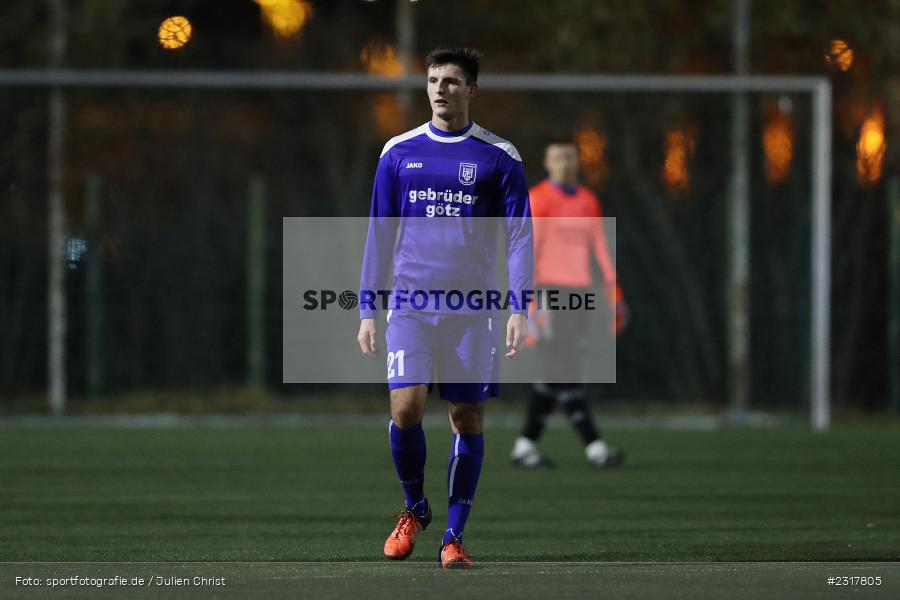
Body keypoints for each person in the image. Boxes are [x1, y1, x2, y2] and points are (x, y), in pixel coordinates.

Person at [357, 46, 532, 569]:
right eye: (433, 80)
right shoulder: (398, 152)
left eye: (452, 82)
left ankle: (453, 538)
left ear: (471, 90)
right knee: (405, 408)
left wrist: (519, 305)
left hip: (472, 310)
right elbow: (378, 234)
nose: (439, 89)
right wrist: (368, 305)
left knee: (466, 416)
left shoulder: (499, 155)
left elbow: (520, 236)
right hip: (411, 305)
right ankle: (413, 508)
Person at [509, 137, 628, 470]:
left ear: (578, 162)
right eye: (557, 157)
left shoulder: (588, 201)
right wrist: (527, 305)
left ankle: (524, 447)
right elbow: (525, 253)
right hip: (547, 293)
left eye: (569, 157)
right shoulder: (539, 199)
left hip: (577, 295)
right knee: (566, 369)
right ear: (547, 163)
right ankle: (595, 446)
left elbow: (600, 248)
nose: (564, 163)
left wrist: (613, 292)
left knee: (556, 372)